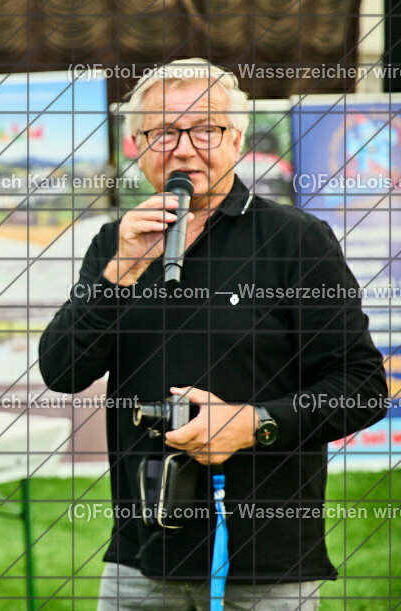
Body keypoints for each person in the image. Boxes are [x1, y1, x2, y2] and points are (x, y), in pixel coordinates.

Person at [38, 59, 388, 610]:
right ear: (136, 146)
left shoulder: (295, 240)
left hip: (264, 564)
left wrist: (253, 423)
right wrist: (120, 273)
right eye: (163, 132)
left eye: (205, 129)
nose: (183, 150)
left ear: (237, 140)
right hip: (141, 558)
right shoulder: (115, 242)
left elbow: (362, 387)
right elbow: (62, 371)